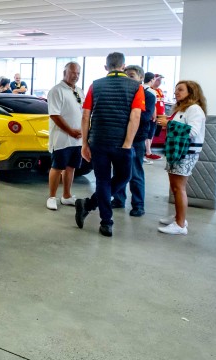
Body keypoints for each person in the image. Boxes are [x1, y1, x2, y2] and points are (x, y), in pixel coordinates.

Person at [74, 52, 144, 237]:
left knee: (103, 181)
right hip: (122, 143)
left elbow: (85, 116)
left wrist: (84, 144)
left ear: (106, 67)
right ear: (124, 66)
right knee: (124, 177)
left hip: (98, 141)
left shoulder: (95, 85)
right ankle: (105, 221)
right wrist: (128, 143)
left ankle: (94, 209)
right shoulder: (136, 87)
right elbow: (135, 116)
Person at [155, 80, 207, 235]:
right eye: (176, 89)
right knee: (175, 187)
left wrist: (169, 124)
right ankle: (179, 216)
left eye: (180, 90)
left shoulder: (194, 109)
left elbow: (192, 131)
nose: (176, 92)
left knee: (179, 188)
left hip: (186, 153)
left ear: (191, 92)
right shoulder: (182, 108)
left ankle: (180, 224)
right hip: (177, 152)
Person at [111, 65, 155, 217]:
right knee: (118, 171)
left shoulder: (148, 96)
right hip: (120, 138)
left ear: (141, 78)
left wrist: (127, 114)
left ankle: (138, 204)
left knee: (135, 173)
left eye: (131, 76)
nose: (128, 79)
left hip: (137, 139)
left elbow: (145, 117)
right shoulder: (123, 94)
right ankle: (118, 199)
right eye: (126, 76)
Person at [45, 61, 84, 211]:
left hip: (77, 139)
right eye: (73, 72)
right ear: (65, 73)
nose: (76, 76)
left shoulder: (79, 91)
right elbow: (54, 115)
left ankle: (66, 195)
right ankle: (52, 197)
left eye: (78, 73)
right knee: (57, 167)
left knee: (71, 167)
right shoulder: (56, 91)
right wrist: (70, 131)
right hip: (62, 139)